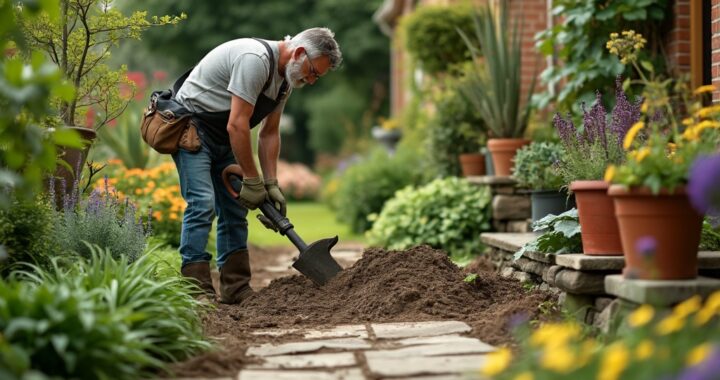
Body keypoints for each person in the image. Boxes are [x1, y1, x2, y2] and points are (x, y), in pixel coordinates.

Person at [172, 27, 342, 303]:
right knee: (202, 203)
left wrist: (271, 183)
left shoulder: (285, 80)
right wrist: (252, 180)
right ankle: (195, 291)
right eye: (313, 72)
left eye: (317, 77)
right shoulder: (255, 60)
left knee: (234, 210)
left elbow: (269, 132)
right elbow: (237, 124)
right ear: (299, 53)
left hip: (223, 136)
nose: (311, 81)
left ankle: (235, 288)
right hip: (192, 129)